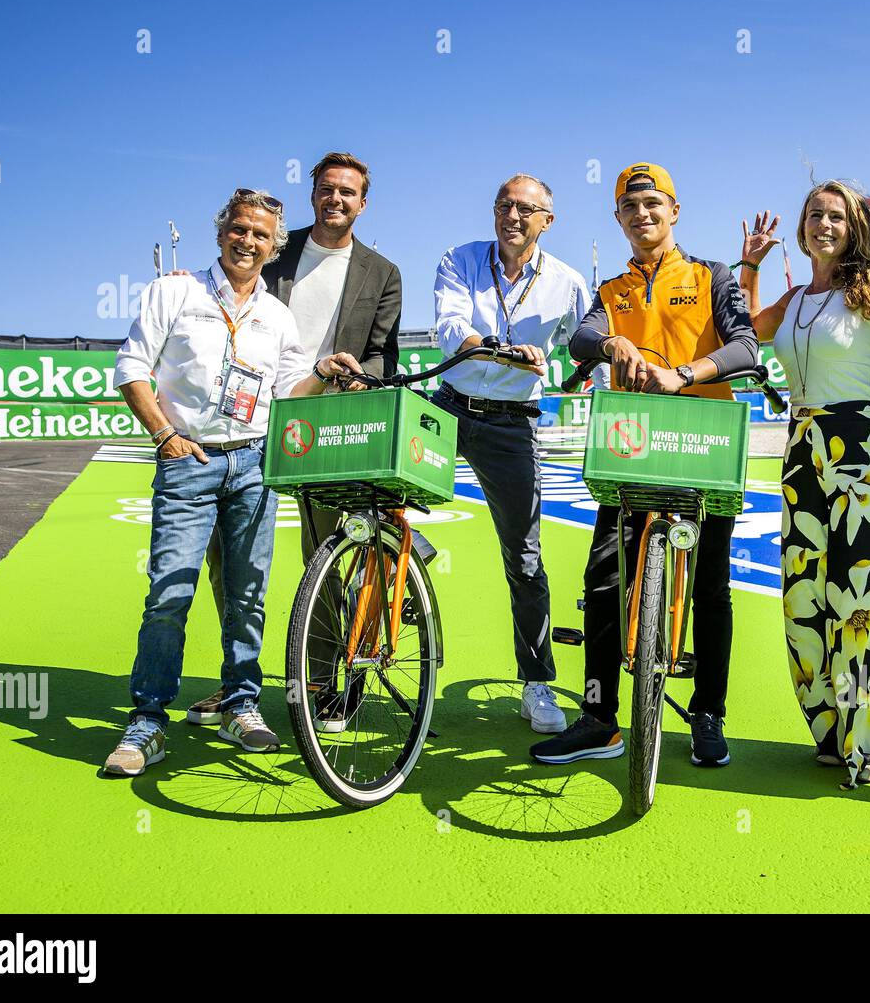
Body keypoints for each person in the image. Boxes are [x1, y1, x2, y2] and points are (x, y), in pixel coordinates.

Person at [104, 187, 363, 776]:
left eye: (260, 235)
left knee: (248, 596)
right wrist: (166, 435)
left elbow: (290, 387)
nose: (247, 241)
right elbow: (132, 368)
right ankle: (147, 721)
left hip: (253, 465)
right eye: (239, 229)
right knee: (170, 593)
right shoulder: (175, 291)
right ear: (222, 232)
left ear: (275, 247)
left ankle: (241, 702)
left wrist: (323, 371)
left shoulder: (276, 314)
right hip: (187, 459)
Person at [531, 162, 759, 768]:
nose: (643, 215)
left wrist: (682, 374)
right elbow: (579, 341)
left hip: (704, 443)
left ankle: (709, 714)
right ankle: (599, 720)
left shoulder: (712, 276)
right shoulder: (612, 290)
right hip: (630, 447)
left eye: (654, 204)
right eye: (631, 208)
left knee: (711, 588)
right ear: (619, 219)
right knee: (603, 579)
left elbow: (744, 347)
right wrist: (614, 343)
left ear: (674, 211)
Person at [737, 184, 870, 788]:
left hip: (860, 450)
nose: (823, 224)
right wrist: (750, 264)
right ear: (803, 227)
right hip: (801, 451)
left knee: (867, 601)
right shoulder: (793, 299)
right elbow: (745, 338)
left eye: (836, 216)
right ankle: (832, 732)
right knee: (806, 596)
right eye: (815, 215)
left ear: (853, 227)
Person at [188, 152, 403, 730]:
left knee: (326, 556)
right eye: (327, 189)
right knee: (231, 562)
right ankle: (240, 685)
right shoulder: (275, 249)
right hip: (252, 418)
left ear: (363, 202)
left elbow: (384, 353)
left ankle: (323, 683)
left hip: (326, 425)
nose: (336, 200)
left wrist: (359, 376)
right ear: (313, 195)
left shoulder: (382, 273)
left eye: (348, 193)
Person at [431, 174, 590, 732]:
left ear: (548, 219)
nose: (513, 216)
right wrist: (498, 349)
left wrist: (586, 373)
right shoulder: (461, 257)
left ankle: (537, 683)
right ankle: (410, 548)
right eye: (504, 205)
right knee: (379, 499)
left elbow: (585, 339)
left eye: (526, 208)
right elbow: (450, 327)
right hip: (449, 403)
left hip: (512, 424)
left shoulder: (568, 282)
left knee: (524, 557)